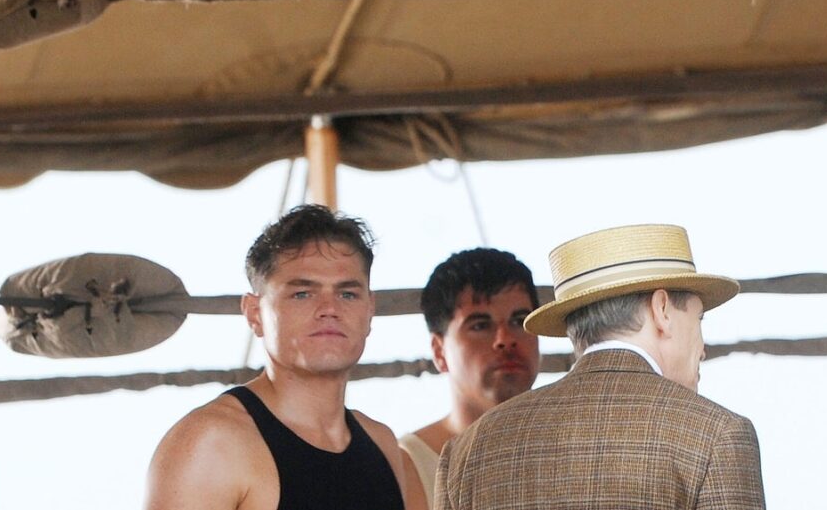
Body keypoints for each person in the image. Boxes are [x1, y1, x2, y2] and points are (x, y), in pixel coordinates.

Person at [436, 224, 765, 510]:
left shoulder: (466, 450)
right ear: (662, 309)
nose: (702, 349)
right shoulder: (718, 434)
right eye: (699, 318)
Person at [145, 205, 414, 510]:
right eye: (303, 294)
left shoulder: (382, 442)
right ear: (254, 313)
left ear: (370, 310)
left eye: (347, 294)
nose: (329, 309)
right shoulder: (211, 444)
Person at [399, 248, 542, 509]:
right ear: (439, 351)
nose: (505, 340)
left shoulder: (576, 445)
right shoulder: (406, 464)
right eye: (480, 325)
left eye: (519, 321)